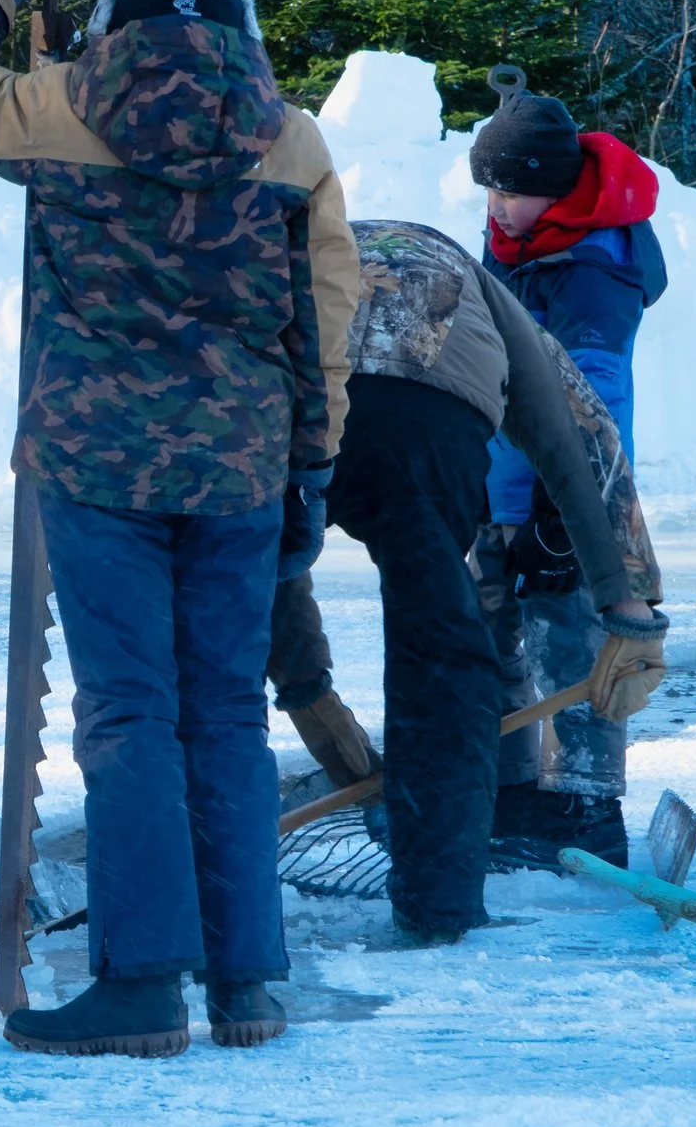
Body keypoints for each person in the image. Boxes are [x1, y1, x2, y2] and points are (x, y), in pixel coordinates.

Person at [0, 0, 352, 1059]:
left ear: (123, 4)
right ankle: (249, 979)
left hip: (95, 458)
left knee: (127, 714)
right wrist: (311, 460)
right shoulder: (291, 141)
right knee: (222, 714)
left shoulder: (57, 107)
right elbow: (325, 320)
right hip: (238, 463)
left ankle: (145, 981)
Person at [274, 220, 670, 943]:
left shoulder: (306, 246)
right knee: (439, 646)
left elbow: (268, 560)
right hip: (424, 410)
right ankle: (439, 904)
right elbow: (581, 435)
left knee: (240, 575)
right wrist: (629, 605)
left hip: (295, 390)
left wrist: (307, 690)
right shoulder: (480, 286)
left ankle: (193, 879)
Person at [465, 68, 668, 868]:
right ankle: (512, 793)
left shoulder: (595, 268)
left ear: (550, 190)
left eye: (506, 194)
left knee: (572, 634)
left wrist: (563, 512)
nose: (493, 209)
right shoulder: (520, 230)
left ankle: (587, 807)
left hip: (572, 490)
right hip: (499, 476)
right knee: (493, 629)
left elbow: (595, 398)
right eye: (487, 192)